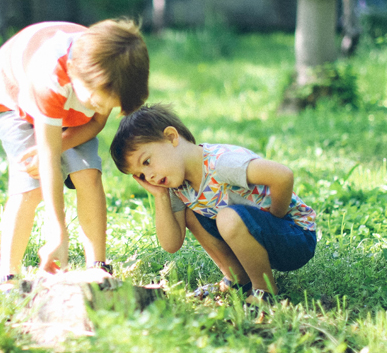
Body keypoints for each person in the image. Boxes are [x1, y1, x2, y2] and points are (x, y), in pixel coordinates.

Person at [0, 19, 149, 284]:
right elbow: (48, 157)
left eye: (108, 105)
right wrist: (58, 231)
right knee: (30, 185)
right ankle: (8, 275)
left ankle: (98, 267)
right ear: (72, 71)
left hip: (69, 107)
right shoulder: (48, 76)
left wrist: (64, 142)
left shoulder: (111, 75)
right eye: (95, 101)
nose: (99, 106)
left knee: (88, 174)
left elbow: (95, 122)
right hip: (11, 98)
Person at [110, 104, 316, 304]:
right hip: (258, 240)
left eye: (147, 162)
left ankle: (264, 290)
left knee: (227, 218)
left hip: (294, 235)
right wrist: (160, 197)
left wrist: (276, 216)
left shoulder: (221, 164)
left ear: (172, 137)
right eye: (142, 175)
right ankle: (238, 280)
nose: (151, 176)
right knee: (192, 213)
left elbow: (282, 176)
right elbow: (171, 244)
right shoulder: (177, 187)